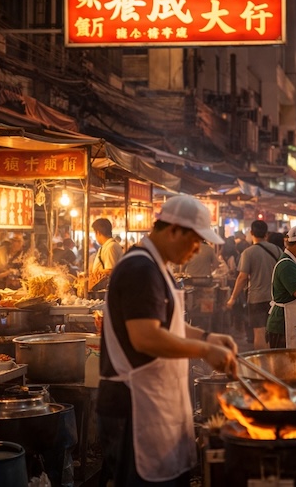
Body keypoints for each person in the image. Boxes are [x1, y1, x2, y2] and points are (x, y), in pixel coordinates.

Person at [97, 195, 237, 485]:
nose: (197, 250)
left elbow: (168, 325)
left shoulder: (158, 267)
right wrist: (205, 351)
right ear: (173, 230)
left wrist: (209, 337)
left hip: (154, 401)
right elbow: (146, 337)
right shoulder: (139, 269)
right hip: (133, 407)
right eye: (195, 241)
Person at [226, 220, 280, 350]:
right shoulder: (278, 250)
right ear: (266, 234)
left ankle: (262, 365)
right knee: (272, 333)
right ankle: (272, 363)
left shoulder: (248, 252)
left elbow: (242, 277)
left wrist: (233, 298)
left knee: (259, 333)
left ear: (251, 233)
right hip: (275, 299)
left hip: (256, 298)